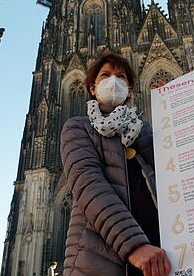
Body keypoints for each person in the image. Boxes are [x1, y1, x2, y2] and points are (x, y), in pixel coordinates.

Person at [60, 53, 171, 276]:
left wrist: (171, 108)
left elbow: (174, 168)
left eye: (121, 77)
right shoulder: (79, 129)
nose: (114, 81)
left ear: (130, 90)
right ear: (92, 88)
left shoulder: (145, 131)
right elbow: (90, 187)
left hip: (159, 258)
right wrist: (135, 245)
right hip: (102, 260)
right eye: (106, 75)